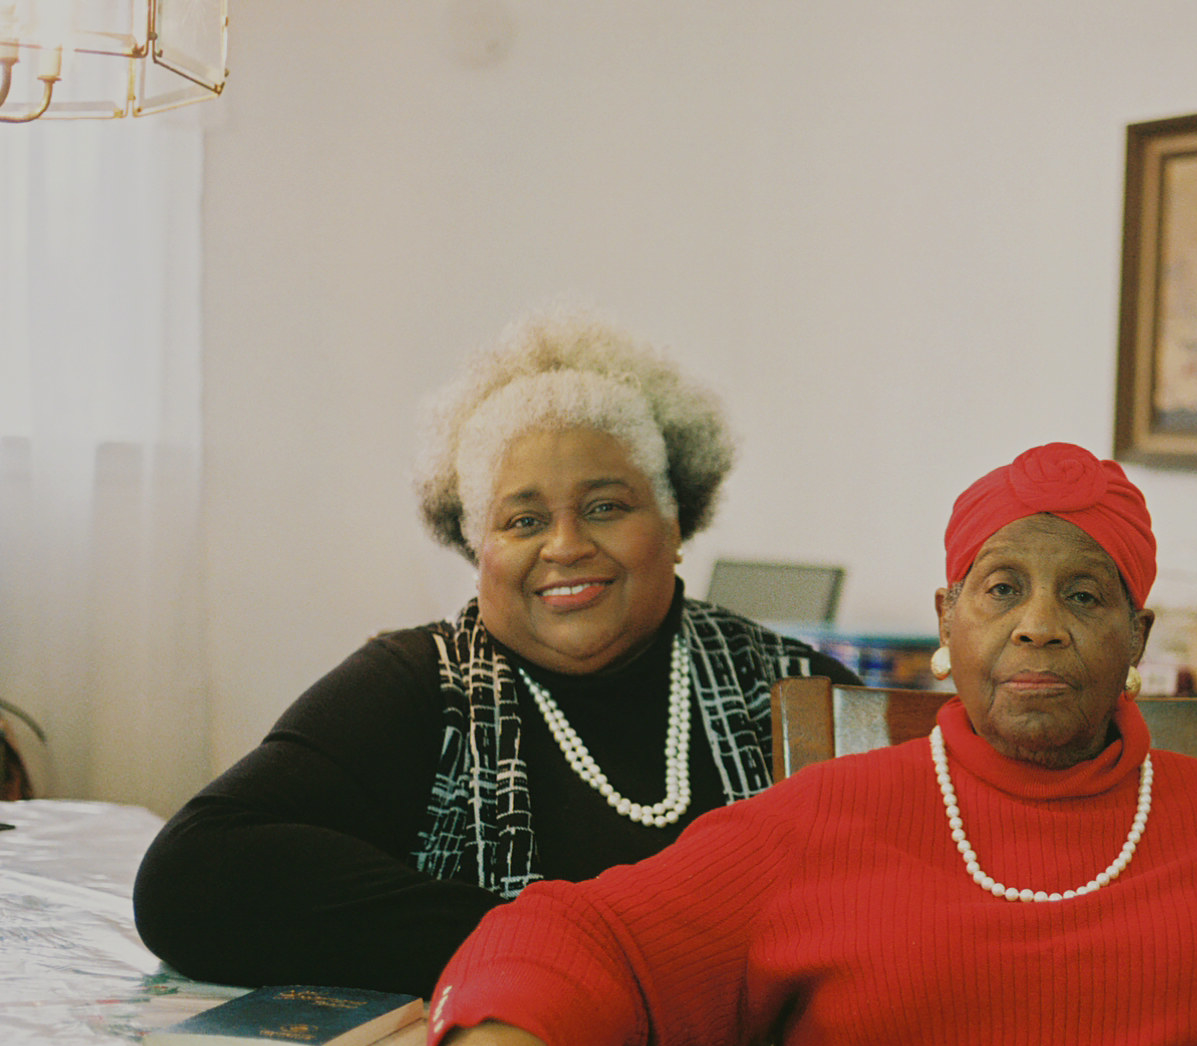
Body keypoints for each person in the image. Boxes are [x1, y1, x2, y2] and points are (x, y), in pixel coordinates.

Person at [403, 442, 1197, 1046]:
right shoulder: (824, 818)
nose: (1039, 627)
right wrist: (502, 1030)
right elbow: (592, 934)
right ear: (944, 622)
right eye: (999, 587)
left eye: (1085, 598)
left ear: (1138, 636)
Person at [132, 310, 860, 1002]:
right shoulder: (419, 684)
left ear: (674, 523)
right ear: (477, 549)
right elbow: (190, 878)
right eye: (523, 520)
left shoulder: (799, 692)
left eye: (606, 506)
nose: (566, 545)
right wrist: (552, 950)